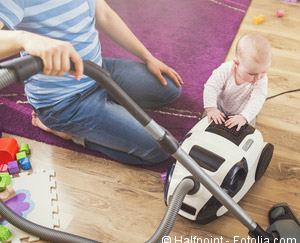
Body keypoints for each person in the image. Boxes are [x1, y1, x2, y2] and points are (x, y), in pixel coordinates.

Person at [0, 0, 183, 165]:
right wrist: (24, 38)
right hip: (65, 102)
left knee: (169, 87)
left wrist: (148, 57)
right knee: (160, 149)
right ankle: (70, 134)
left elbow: (104, 14)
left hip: (97, 70)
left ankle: (104, 117)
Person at [203, 33, 272, 131]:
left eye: (263, 72)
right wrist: (211, 109)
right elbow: (211, 87)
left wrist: (245, 116)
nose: (258, 78)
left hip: (243, 112)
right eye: (252, 74)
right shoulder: (226, 69)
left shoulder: (261, 79)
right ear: (236, 63)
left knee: (246, 130)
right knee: (207, 123)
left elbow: (258, 99)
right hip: (220, 106)